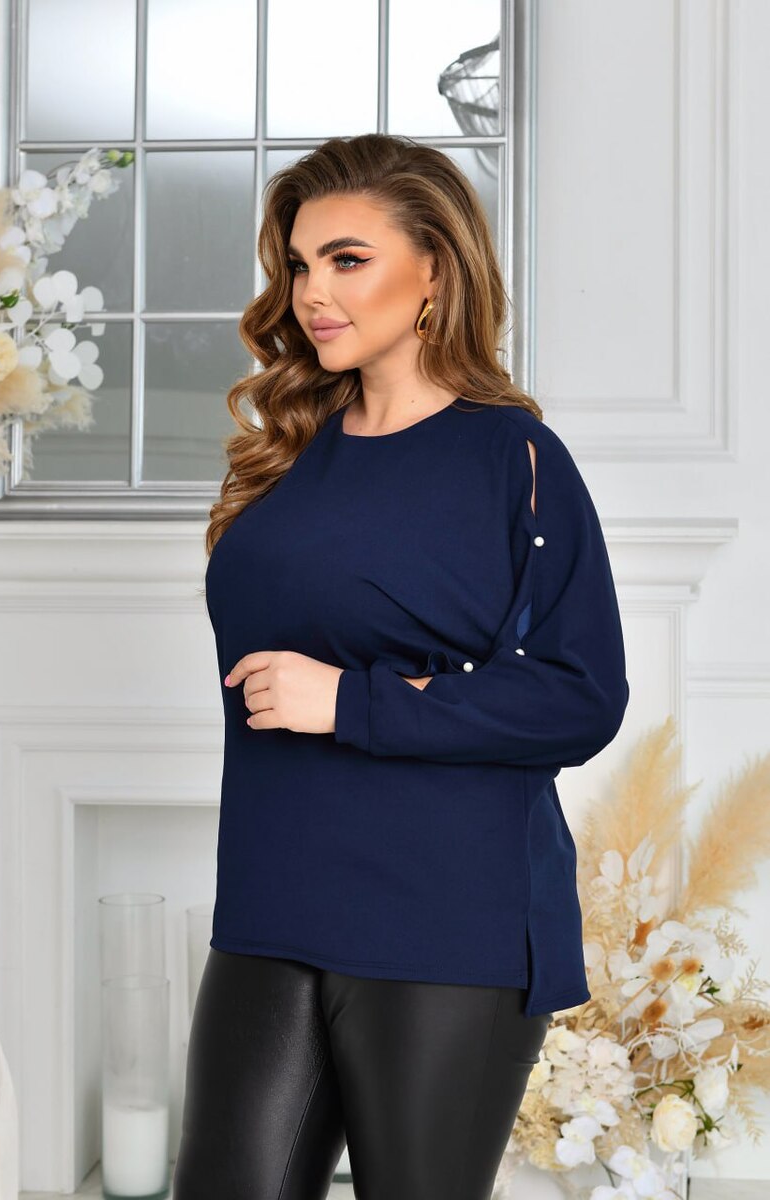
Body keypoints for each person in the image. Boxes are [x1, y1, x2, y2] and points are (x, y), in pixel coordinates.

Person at [172, 132, 630, 1200]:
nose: (311, 292)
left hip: (447, 915)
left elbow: (579, 697)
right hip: (272, 902)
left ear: (434, 269)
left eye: (348, 260)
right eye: (298, 263)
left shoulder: (513, 458)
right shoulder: (291, 448)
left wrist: (351, 701)